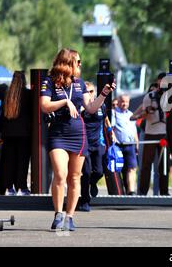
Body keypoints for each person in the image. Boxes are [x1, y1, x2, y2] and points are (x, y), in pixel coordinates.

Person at [40, 48, 115, 231]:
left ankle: (70, 217)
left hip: (78, 134)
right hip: (58, 134)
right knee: (60, 174)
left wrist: (103, 94)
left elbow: (90, 108)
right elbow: (44, 106)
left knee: (75, 177)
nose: (80, 65)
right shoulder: (48, 82)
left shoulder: (79, 83)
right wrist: (66, 102)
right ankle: (58, 213)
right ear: (68, 62)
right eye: (78, 61)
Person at [0, 71, 32, 196]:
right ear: (24, 80)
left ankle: (9, 187)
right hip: (24, 133)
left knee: (9, 161)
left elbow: (3, 116)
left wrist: (1, 132)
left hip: (8, 134)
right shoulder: (28, 94)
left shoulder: (7, 94)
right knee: (22, 161)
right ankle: (21, 187)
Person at [137, 73, 170, 196]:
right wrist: (147, 111)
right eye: (161, 81)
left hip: (165, 134)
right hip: (150, 133)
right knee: (146, 164)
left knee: (164, 165)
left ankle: (164, 192)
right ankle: (142, 192)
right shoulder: (149, 96)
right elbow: (143, 116)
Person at [78, 81, 108, 212]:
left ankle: (93, 182)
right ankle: (85, 201)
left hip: (98, 143)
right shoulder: (80, 106)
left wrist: (111, 132)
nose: (89, 94)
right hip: (84, 143)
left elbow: (105, 120)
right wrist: (83, 109)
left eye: (91, 92)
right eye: (86, 92)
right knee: (85, 173)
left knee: (99, 171)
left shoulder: (102, 106)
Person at [112, 94, 139, 195]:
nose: (124, 104)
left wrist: (137, 144)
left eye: (126, 102)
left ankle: (131, 191)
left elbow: (134, 131)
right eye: (123, 101)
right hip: (118, 146)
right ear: (118, 102)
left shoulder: (131, 114)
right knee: (118, 169)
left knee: (131, 168)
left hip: (130, 145)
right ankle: (119, 191)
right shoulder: (114, 113)